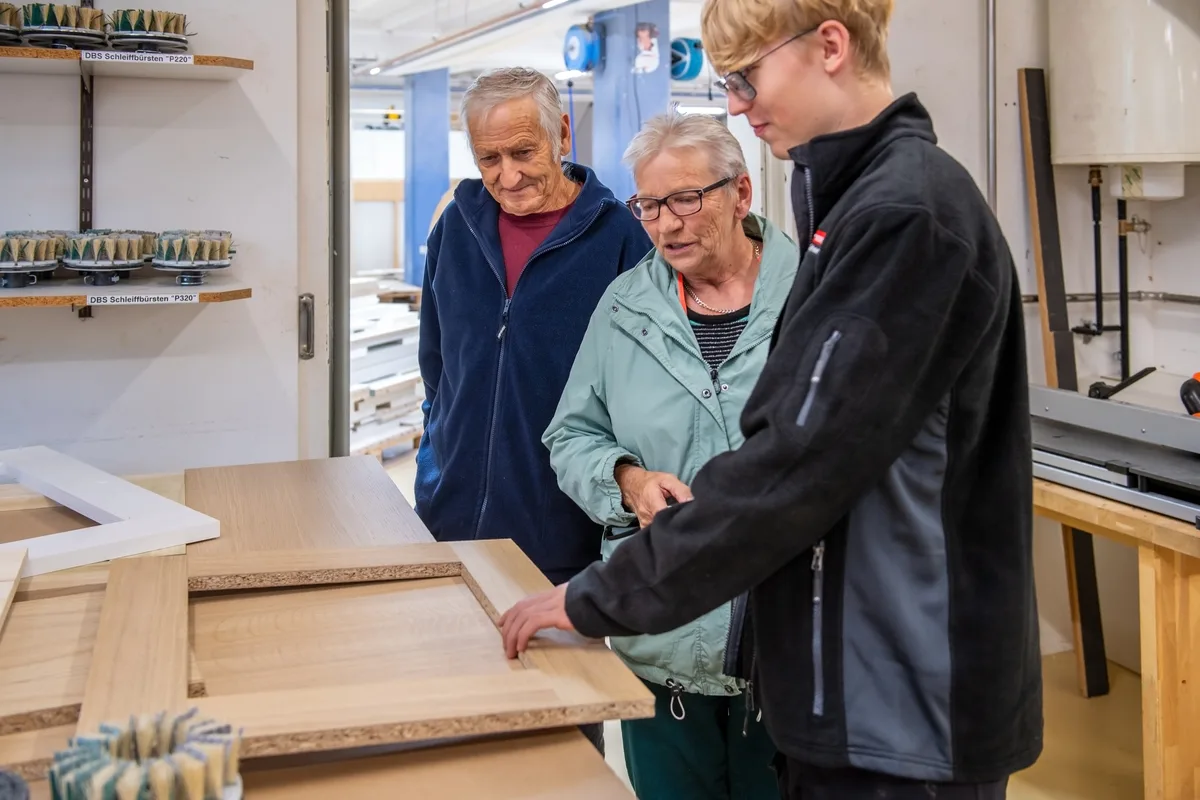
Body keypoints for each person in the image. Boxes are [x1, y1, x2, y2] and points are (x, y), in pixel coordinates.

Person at [499, 1, 1043, 797]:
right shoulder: (856, 208)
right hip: (850, 680)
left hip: (901, 703)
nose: (737, 104)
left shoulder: (903, 217)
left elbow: (795, 463)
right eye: (650, 206)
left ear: (831, 46)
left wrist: (602, 595)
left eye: (747, 77)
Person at [544, 113, 796, 800]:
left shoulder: (814, 295)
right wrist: (627, 480)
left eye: (685, 199)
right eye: (649, 206)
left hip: (791, 640)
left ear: (741, 194)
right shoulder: (624, 307)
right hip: (663, 633)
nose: (666, 224)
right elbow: (570, 436)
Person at [414, 67, 652, 752]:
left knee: (559, 740)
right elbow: (437, 362)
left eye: (523, 152)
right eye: (488, 158)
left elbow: (641, 393)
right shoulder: (457, 228)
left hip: (561, 541)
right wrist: (439, 464)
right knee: (454, 730)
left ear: (562, 134)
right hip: (452, 527)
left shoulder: (619, 239)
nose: (507, 176)